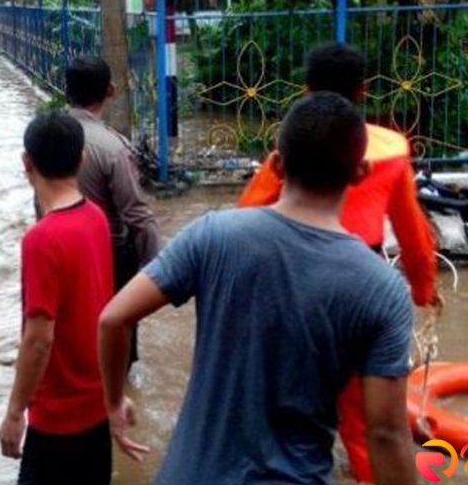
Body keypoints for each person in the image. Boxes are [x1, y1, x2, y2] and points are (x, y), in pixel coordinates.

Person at [99, 93, 416, 485]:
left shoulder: (213, 234)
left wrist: (114, 402)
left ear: (278, 165)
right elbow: (385, 433)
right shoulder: (382, 288)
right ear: (360, 172)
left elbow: (113, 318)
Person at [239, 43, 436, 482]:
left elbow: (246, 213)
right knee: (371, 431)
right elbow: (413, 233)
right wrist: (423, 290)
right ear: (363, 91)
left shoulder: (295, 145)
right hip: (360, 285)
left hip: (292, 288)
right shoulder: (391, 149)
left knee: (279, 417)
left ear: (306, 91)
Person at [0, 111, 114, 485]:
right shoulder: (96, 218)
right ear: (81, 159)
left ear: (26, 163)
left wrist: (15, 413)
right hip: (96, 411)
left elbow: (39, 339)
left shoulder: (41, 239)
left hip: (57, 421)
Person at [65, 56, 159, 369]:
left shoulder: (48, 137)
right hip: (110, 256)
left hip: (60, 250)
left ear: (67, 91)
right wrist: (156, 269)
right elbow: (137, 214)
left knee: (71, 338)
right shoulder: (113, 147)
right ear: (111, 91)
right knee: (118, 351)